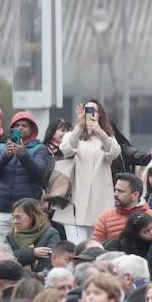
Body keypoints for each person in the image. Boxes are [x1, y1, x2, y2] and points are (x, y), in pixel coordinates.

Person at [54, 100, 120, 243]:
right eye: (87, 110)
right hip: (74, 201)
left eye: (94, 110)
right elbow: (66, 149)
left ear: (100, 114)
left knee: (96, 248)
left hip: (100, 202)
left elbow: (114, 152)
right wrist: (79, 126)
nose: (91, 114)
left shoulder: (107, 137)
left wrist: (99, 131)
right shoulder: (72, 135)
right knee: (77, 248)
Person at [0, 111, 52, 241]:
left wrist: (23, 155)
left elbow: (39, 174)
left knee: (25, 248)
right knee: (6, 250)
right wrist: (6, 156)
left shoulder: (39, 149)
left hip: (28, 211)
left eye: (24, 125)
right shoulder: (2, 148)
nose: (20, 128)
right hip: (4, 210)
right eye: (16, 126)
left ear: (32, 129)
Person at [6, 197, 62, 270]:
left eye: (19, 217)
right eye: (13, 217)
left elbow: (50, 260)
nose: (15, 222)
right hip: (16, 274)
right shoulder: (12, 235)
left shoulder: (50, 233)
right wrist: (32, 253)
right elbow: (6, 257)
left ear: (33, 216)